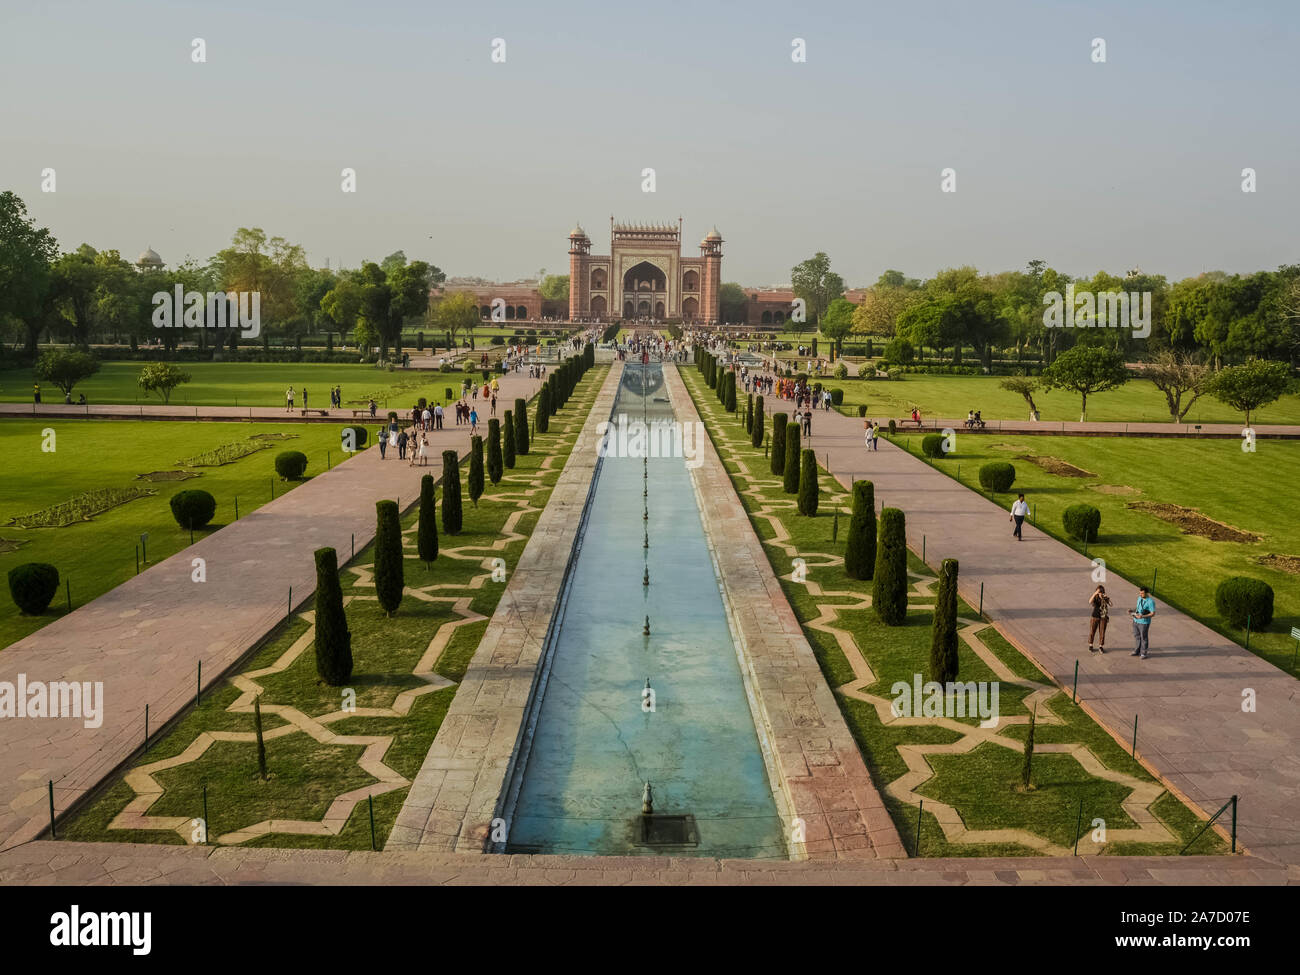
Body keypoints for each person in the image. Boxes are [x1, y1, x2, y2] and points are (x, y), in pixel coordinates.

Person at [1131, 586, 1156, 659]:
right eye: (1140, 593)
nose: (1140, 594)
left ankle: (1143, 653)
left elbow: (1153, 613)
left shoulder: (1150, 602)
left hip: (1144, 622)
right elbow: (1138, 608)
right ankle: (1137, 651)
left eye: (1142, 593)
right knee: (1137, 636)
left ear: (1147, 593)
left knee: (1144, 638)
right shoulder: (1139, 598)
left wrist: (1143, 616)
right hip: (1136, 620)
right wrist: (1132, 611)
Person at [1088, 585, 1111, 653]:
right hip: (1095, 616)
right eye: (1099, 591)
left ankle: (1100, 646)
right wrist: (1095, 593)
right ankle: (1090, 645)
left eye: (1101, 591)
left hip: (1103, 617)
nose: (1100, 593)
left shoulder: (1105, 598)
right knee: (1092, 631)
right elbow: (1090, 601)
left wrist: (1107, 598)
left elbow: (1111, 604)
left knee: (1102, 632)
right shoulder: (1095, 597)